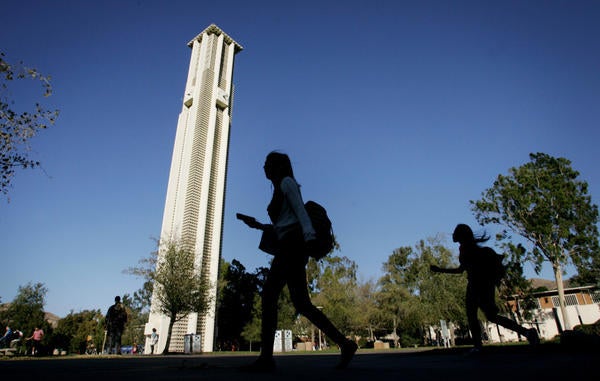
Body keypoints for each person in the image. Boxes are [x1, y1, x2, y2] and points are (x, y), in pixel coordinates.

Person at [238, 151, 357, 371]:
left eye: (267, 163)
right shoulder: (278, 187)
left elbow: (301, 213)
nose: (263, 167)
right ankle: (345, 343)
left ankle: (266, 359)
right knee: (302, 303)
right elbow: (285, 223)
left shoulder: (287, 183)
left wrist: (309, 238)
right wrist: (257, 225)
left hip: (293, 247)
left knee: (269, 295)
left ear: (276, 166)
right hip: (290, 245)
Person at [430, 224, 539, 354]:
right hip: (484, 285)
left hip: (477, 285)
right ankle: (526, 332)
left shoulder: (466, 249)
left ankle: (479, 346)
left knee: (475, 316)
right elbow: (463, 269)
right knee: (488, 316)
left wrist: (439, 270)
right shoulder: (469, 248)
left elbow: (460, 270)